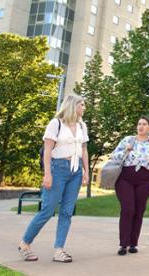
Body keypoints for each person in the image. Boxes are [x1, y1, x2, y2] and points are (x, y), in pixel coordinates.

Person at [18, 95, 89, 263]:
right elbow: (48, 150)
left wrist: (86, 171)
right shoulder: (56, 123)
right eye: (82, 104)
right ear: (73, 105)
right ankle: (25, 244)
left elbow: (84, 149)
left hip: (75, 170)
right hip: (57, 170)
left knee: (66, 212)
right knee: (47, 210)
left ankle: (59, 250)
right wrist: (47, 174)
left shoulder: (82, 125)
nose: (84, 107)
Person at [109, 116, 149, 255]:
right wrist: (125, 150)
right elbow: (113, 156)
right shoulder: (128, 140)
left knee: (139, 211)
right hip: (125, 178)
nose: (141, 126)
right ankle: (123, 244)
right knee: (128, 209)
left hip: (144, 179)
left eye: (144, 124)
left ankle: (133, 243)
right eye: (139, 124)